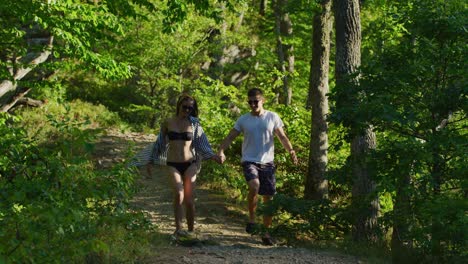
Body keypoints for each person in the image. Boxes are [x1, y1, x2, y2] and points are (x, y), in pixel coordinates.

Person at [217, 88, 298, 246]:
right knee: (254, 185)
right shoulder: (243, 120)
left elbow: (282, 136)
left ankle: (266, 233)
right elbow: (231, 136)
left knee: (269, 198)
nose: (253, 104)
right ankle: (252, 221)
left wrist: (291, 151)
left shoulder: (272, 117)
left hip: (268, 162)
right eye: (250, 102)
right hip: (249, 160)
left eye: (256, 101)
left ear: (263, 100)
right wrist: (221, 150)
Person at [137, 94, 221, 238]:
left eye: (190, 108)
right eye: (185, 107)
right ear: (179, 106)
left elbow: (202, 144)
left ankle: (191, 230)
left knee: (189, 199)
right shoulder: (168, 122)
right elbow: (160, 143)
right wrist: (151, 161)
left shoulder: (194, 124)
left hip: (190, 164)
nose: (187, 110)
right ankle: (178, 229)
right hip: (172, 164)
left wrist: (213, 156)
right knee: (178, 194)